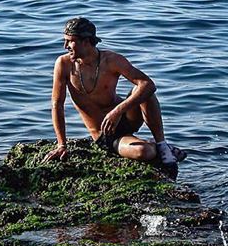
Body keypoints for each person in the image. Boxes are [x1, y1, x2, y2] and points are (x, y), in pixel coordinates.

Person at [43, 17, 186, 178]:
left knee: (145, 91)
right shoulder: (63, 64)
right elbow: (57, 105)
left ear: (86, 41)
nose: (65, 46)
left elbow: (148, 84)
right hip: (106, 135)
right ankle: (154, 148)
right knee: (143, 151)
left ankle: (162, 146)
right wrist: (62, 144)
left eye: (70, 41)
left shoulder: (111, 60)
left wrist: (117, 111)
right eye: (65, 41)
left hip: (125, 117)